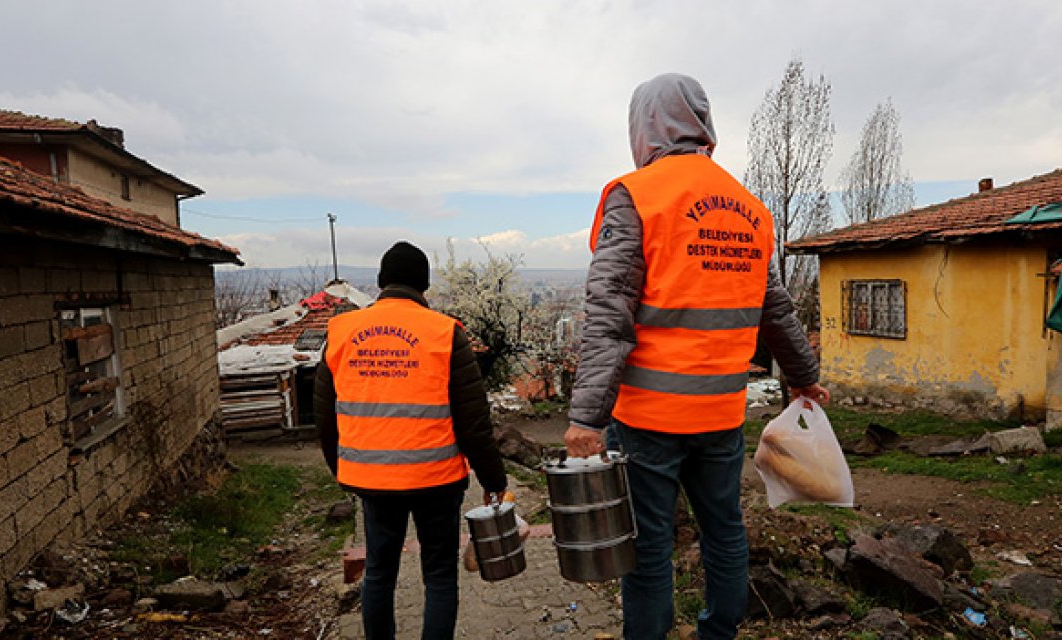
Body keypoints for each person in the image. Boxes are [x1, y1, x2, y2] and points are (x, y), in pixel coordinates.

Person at [564, 73, 828, 640]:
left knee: (650, 548)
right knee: (725, 532)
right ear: (701, 122)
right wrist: (805, 379)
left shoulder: (635, 195)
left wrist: (585, 416)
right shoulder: (751, 209)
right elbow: (774, 307)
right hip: (721, 413)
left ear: (646, 125)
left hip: (648, 420)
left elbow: (609, 311)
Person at [315, 241, 507, 640]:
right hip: (436, 480)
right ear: (425, 286)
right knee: (439, 576)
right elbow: (474, 422)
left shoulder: (342, 331)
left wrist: (344, 469)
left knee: (380, 573)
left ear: (381, 282)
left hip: (372, 481)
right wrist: (494, 479)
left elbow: (323, 414)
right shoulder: (445, 333)